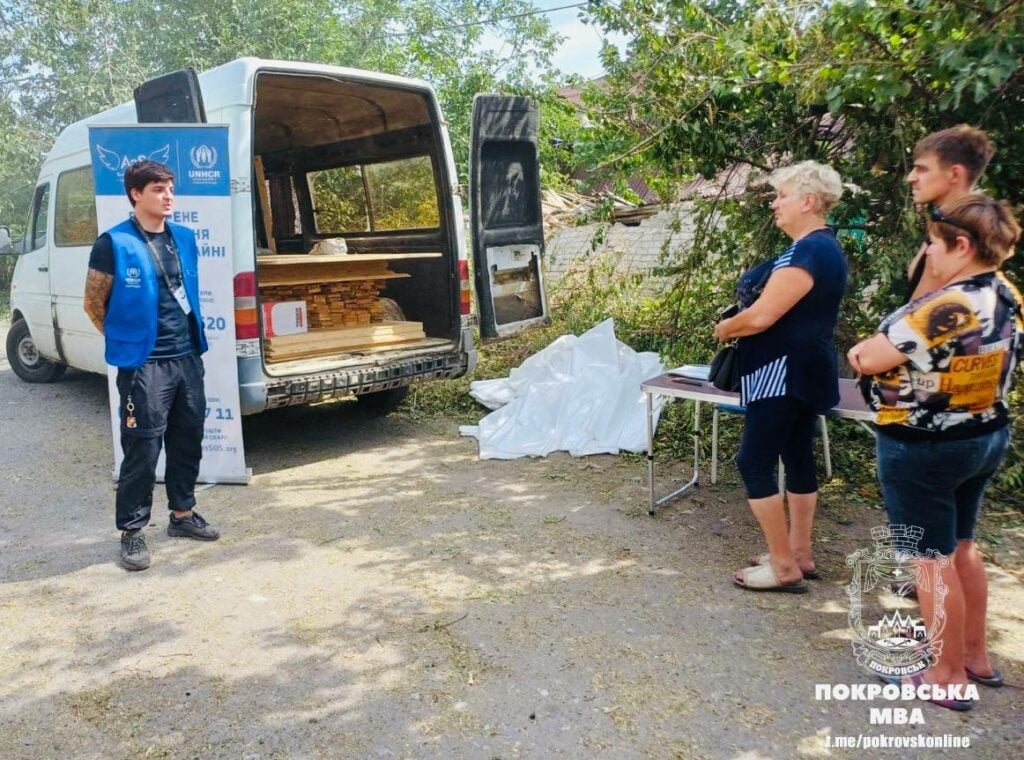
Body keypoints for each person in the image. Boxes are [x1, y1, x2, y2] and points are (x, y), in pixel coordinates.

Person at [848, 195, 1021, 709]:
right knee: (962, 545)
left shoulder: (947, 305)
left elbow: (869, 355)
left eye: (932, 243)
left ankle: (944, 676)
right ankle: (975, 658)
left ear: (961, 245)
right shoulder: (1005, 292)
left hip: (923, 447)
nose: (927, 254)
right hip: (983, 436)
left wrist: (862, 350)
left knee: (929, 559)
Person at [714, 160, 847, 593]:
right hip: (806, 370)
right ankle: (798, 553)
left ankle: (783, 565)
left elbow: (763, 316)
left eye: (781, 196)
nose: (775, 204)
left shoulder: (808, 250)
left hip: (781, 372)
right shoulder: (824, 247)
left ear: (808, 201)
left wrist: (726, 328)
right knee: (797, 458)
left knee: (753, 461)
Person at [83, 160, 220, 571]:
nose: (168, 195)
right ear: (135, 194)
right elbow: (93, 303)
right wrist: (126, 339)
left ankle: (182, 515)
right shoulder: (114, 243)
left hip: (187, 357)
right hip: (145, 364)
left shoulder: (185, 238)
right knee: (142, 447)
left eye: (170, 188)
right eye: (158, 188)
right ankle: (132, 531)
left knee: (187, 437)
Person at [905, 125, 995, 301]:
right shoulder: (946, 224)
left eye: (922, 169)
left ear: (954, 174)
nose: (911, 178)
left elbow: (920, 313)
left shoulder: (958, 240)